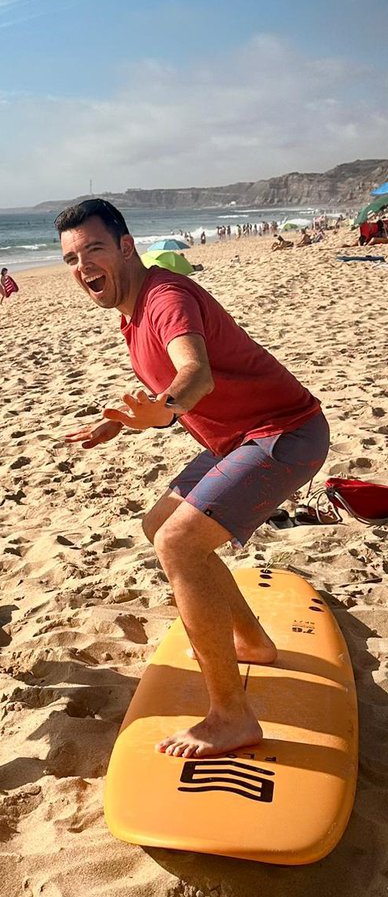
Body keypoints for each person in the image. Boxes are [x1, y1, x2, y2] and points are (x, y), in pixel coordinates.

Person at [57, 198, 328, 759]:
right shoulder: (133, 314)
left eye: (94, 250)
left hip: (286, 434)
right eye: (70, 259)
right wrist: (122, 424)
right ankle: (252, 641)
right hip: (238, 439)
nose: (82, 267)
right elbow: (170, 394)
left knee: (180, 544)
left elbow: (194, 374)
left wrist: (167, 410)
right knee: (158, 525)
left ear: (126, 246)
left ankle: (231, 717)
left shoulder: (166, 298)